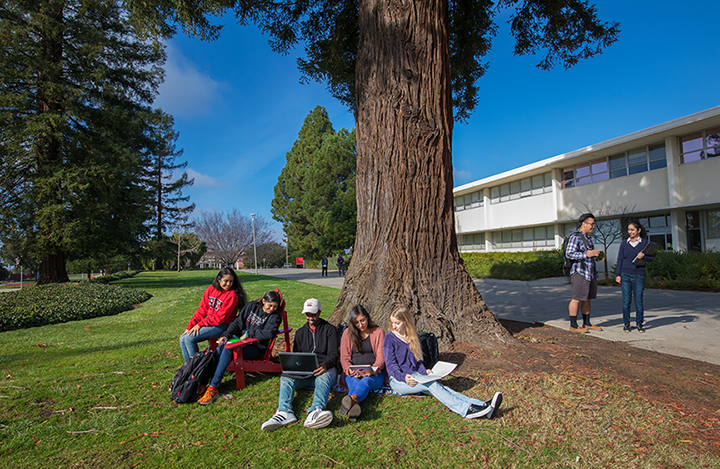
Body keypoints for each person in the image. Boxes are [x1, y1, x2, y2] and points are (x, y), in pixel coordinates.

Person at [383, 307, 502, 419]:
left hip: (416, 376)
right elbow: (391, 366)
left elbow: (418, 362)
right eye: (392, 323)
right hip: (398, 380)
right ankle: (466, 410)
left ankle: (483, 406)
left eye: (397, 323)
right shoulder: (390, 338)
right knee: (433, 385)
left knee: (442, 387)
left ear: (406, 322)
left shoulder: (414, 337)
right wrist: (404, 378)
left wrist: (425, 371)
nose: (394, 326)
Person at [261, 298, 339, 432]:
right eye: (308, 315)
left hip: (325, 369)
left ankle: (315, 411)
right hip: (305, 372)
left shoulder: (329, 330)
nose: (310, 318)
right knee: (286, 377)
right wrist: (294, 367)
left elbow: (334, 354)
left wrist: (325, 364)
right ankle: (284, 412)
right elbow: (297, 356)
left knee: (324, 377)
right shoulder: (301, 333)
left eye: (313, 314)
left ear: (319, 312)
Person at [197, 290, 282, 405]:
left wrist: (249, 334)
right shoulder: (251, 306)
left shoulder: (275, 316)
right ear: (263, 301)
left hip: (255, 347)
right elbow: (238, 322)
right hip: (240, 342)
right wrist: (226, 334)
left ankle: (213, 388)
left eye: (275, 307)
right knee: (221, 348)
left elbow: (270, 333)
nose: (271, 309)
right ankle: (203, 383)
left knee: (228, 349)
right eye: (269, 305)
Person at [179, 267, 247, 361]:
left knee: (189, 339)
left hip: (223, 325)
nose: (228, 284)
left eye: (231, 281)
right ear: (219, 279)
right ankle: (188, 368)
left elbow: (220, 318)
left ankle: (195, 369)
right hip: (211, 323)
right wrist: (189, 326)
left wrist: (200, 325)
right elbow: (201, 310)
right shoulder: (210, 289)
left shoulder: (232, 295)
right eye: (226, 281)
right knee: (183, 339)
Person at [339, 305, 386, 420]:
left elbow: (381, 358)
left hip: (374, 373)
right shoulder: (347, 333)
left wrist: (372, 370)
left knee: (365, 382)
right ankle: (354, 407)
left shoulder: (378, 332)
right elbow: (344, 357)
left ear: (367, 318)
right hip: (353, 372)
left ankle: (352, 400)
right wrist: (349, 369)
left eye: (363, 320)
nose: (361, 325)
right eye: (357, 323)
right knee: (354, 383)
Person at [565, 213, 602, 333]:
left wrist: (593, 253)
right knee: (576, 298)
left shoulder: (589, 238)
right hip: (580, 272)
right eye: (591, 224)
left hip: (589, 272)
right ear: (584, 224)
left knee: (588, 299)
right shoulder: (575, 237)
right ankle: (573, 325)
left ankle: (586, 323)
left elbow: (589, 254)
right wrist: (586, 254)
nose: (593, 227)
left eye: (594, 224)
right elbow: (569, 253)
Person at [615, 221, 654, 333]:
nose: (630, 232)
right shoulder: (624, 244)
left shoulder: (645, 243)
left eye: (632, 230)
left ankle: (639, 324)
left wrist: (644, 257)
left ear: (639, 230)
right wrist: (618, 275)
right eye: (628, 230)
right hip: (625, 275)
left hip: (638, 275)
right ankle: (626, 324)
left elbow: (651, 259)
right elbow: (620, 260)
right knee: (626, 301)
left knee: (638, 301)